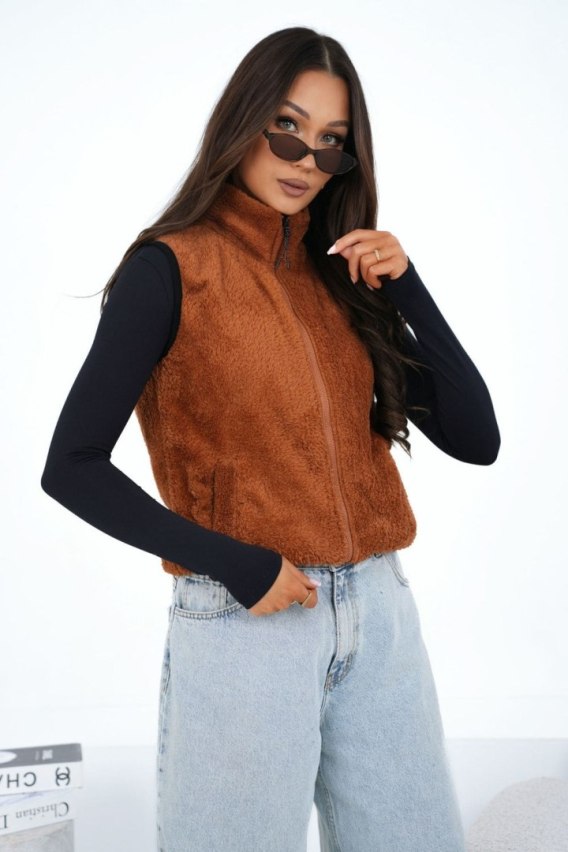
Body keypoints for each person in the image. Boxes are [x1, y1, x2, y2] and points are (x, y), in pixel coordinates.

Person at [40, 26, 500, 852]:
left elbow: (477, 438)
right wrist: (237, 563)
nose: (305, 159)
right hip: (247, 620)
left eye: (331, 143)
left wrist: (409, 289)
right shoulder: (170, 269)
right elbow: (70, 467)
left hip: (381, 617)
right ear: (244, 120)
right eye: (286, 127)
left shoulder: (340, 276)